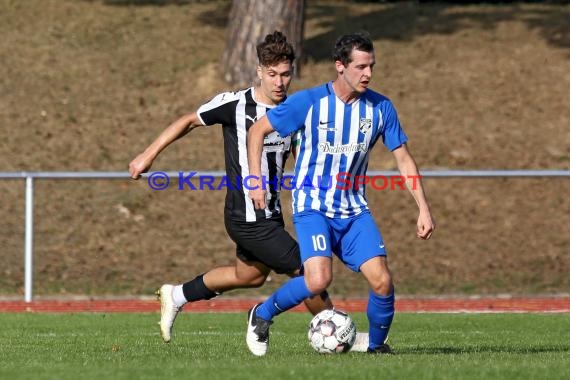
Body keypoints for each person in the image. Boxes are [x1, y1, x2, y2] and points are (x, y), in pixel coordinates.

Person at [128, 31, 369, 350]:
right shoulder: (236, 104)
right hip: (246, 217)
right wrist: (147, 154)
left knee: (249, 276)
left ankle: (177, 294)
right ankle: (340, 336)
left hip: (271, 215)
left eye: (285, 74)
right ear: (259, 71)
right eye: (272, 74)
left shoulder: (297, 111)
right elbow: (188, 121)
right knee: (309, 270)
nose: (279, 82)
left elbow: (304, 158)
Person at [246, 32, 435, 356]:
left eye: (371, 66)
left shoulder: (380, 108)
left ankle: (376, 348)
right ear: (340, 66)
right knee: (318, 280)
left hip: (353, 210)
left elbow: (402, 158)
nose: (368, 74)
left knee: (382, 282)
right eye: (361, 66)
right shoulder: (309, 102)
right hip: (312, 207)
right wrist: (255, 180)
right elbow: (257, 130)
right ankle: (261, 314)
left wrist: (423, 207)